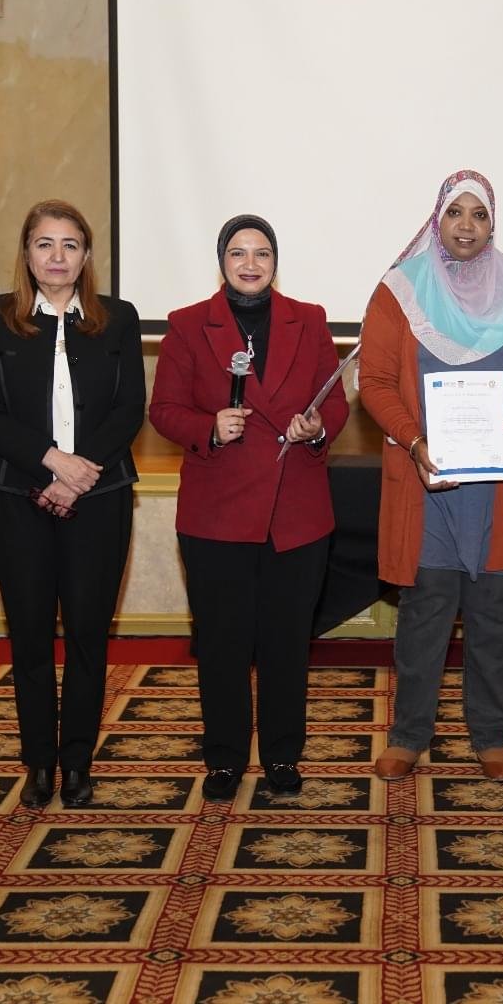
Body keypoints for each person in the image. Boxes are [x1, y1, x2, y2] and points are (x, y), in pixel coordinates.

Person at [359, 170, 503, 782]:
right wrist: (413, 440)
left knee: (494, 612)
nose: (466, 225)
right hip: (426, 479)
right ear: (437, 220)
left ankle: (491, 736)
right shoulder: (400, 290)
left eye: (479, 214)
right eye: (454, 212)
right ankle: (409, 735)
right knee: (424, 612)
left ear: (492, 224)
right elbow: (374, 381)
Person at [148, 215, 349, 803]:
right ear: (222, 261)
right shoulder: (188, 324)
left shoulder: (309, 319)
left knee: (287, 643)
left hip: (296, 512)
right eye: (238, 253)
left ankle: (283, 754)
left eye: (262, 253)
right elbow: (163, 410)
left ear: (275, 262)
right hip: (217, 512)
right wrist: (209, 426)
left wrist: (317, 428)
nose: (251, 263)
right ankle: (225, 757)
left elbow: (336, 403)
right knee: (222, 644)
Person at [0, 200, 144, 810]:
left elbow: (129, 408)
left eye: (70, 244)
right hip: (17, 496)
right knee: (31, 636)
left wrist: (78, 472)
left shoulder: (118, 319)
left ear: (86, 255)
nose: (57, 256)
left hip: (100, 496)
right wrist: (51, 463)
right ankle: (39, 763)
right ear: (26, 253)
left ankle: (77, 763)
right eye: (45, 244)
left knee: (90, 636)